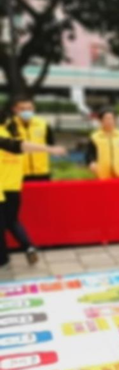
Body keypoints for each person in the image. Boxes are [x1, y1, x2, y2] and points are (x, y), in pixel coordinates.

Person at [0, 124, 66, 268]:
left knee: (6, 222)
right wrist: (50, 149)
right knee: (11, 221)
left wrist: (49, 149)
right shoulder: (11, 132)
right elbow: (18, 146)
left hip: (6, 185)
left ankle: (5, 258)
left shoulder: (8, 135)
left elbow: (17, 146)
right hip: (12, 185)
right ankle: (27, 247)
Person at [8, 96, 56, 181]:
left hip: (42, 172)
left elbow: (50, 144)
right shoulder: (8, 126)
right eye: (22, 109)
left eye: (29, 108)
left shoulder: (43, 124)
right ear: (15, 109)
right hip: (17, 173)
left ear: (34, 108)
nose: (26, 111)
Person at [87, 109, 119, 179]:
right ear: (100, 121)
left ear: (115, 120)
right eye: (106, 119)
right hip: (102, 174)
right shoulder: (95, 137)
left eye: (111, 118)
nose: (109, 121)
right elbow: (90, 154)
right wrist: (91, 162)